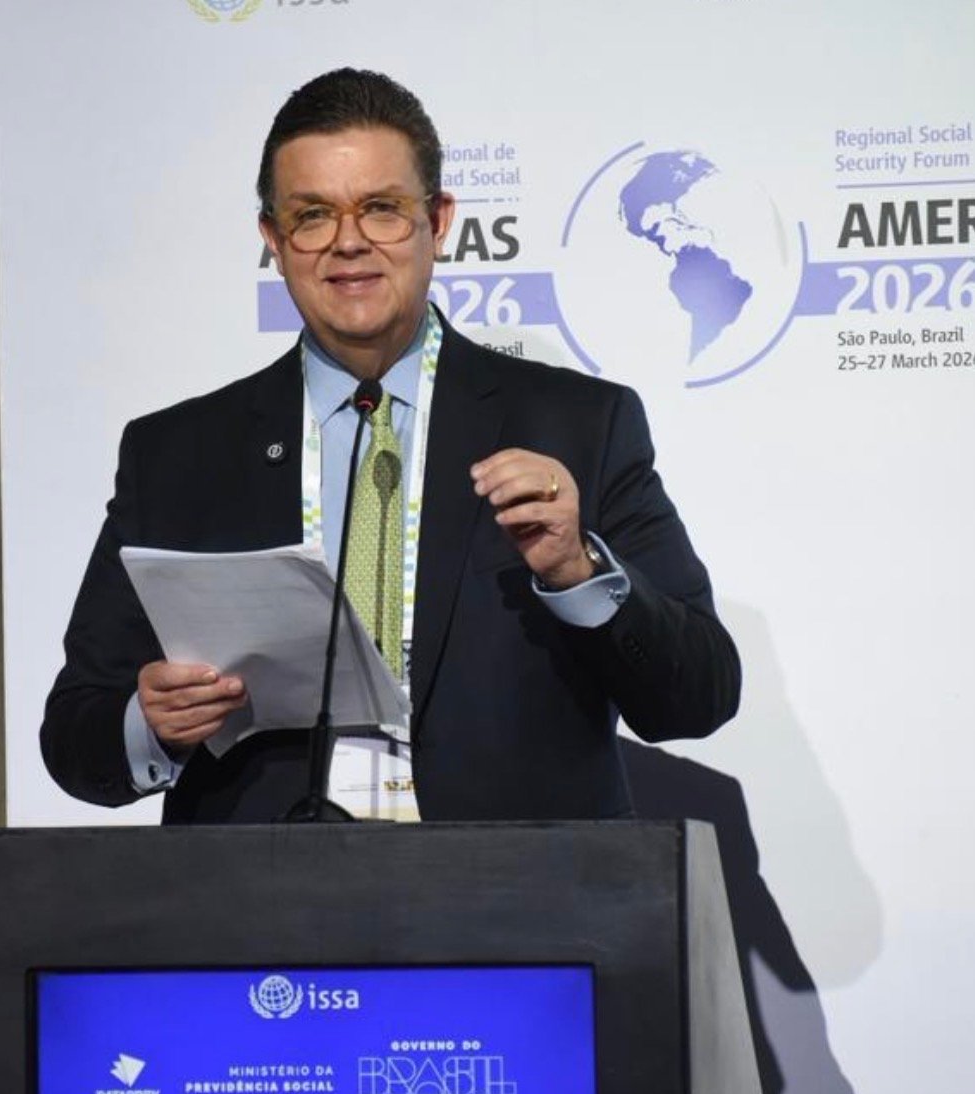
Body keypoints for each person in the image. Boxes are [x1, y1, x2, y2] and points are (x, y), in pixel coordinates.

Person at [41, 68, 740, 823]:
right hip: (260, 887)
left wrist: (578, 570)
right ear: (273, 239)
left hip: (509, 886)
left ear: (439, 221)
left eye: (381, 209)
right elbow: (76, 734)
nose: (348, 242)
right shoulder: (177, 454)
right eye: (312, 215)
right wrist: (151, 725)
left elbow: (698, 696)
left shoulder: (579, 426)